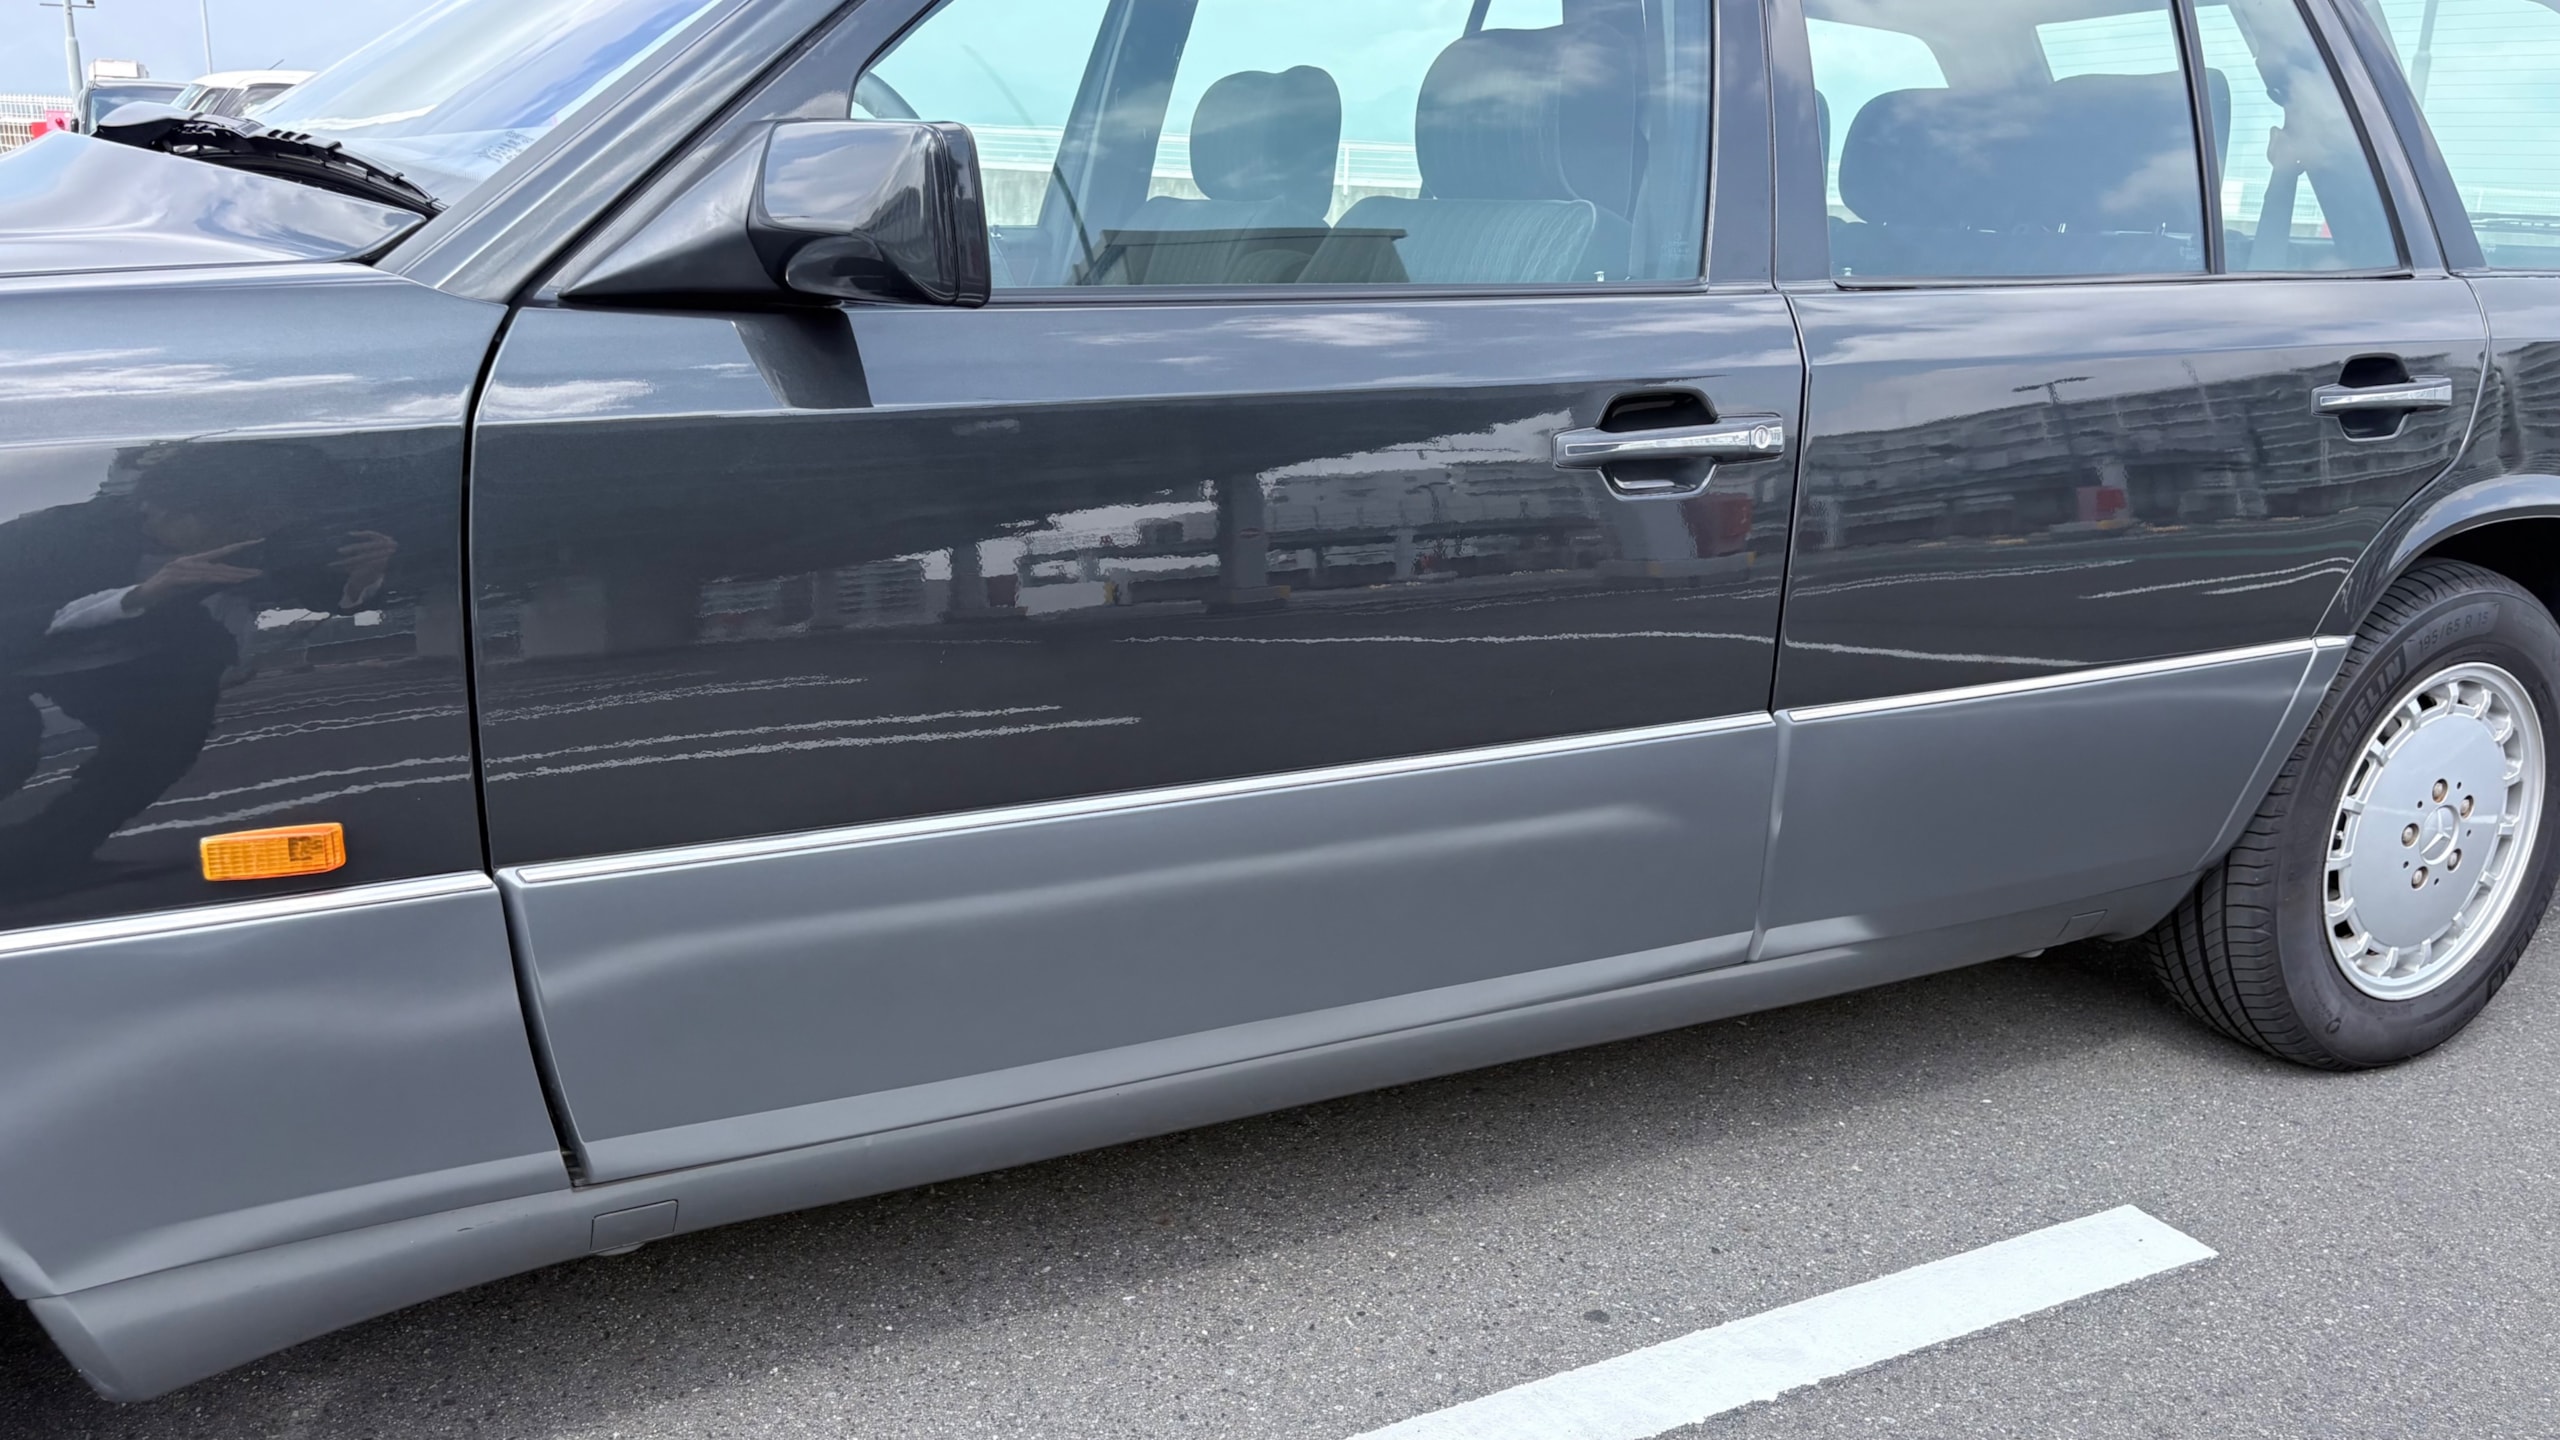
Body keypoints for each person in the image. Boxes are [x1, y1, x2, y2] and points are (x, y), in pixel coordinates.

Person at [0, 440, 395, 890]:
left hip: (150, 664)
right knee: (14, 745)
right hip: (19, 658)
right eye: (230, 523)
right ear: (161, 509)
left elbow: (322, 596)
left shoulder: (258, 539)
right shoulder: (53, 533)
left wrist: (364, 577)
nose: (244, 535)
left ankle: (44, 857)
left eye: (260, 523)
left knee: (165, 743)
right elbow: (12, 618)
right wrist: (141, 594)